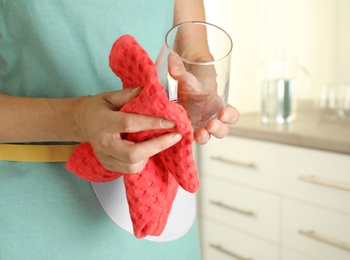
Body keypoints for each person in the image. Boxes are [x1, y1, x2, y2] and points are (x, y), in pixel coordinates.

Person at [0, 0, 240, 259]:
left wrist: (199, 94)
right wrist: (77, 119)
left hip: (162, 210)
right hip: (38, 219)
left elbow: (193, 55)